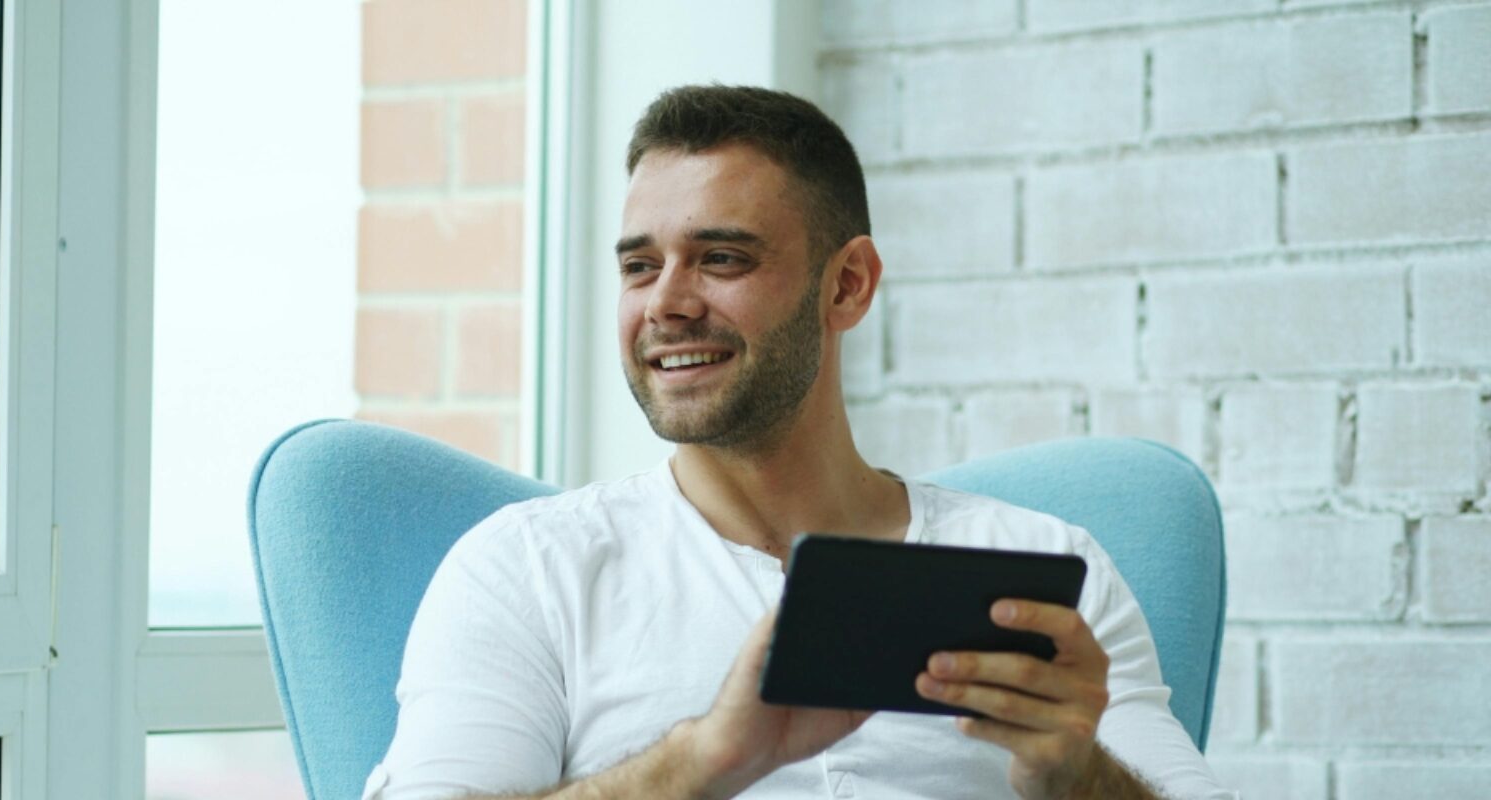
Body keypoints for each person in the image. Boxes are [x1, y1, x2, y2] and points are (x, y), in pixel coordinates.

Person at [363, 85, 1234, 800]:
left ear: (847, 285)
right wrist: (706, 759)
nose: (665, 302)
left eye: (721, 259)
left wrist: (1079, 777)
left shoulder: (1045, 569)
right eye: (638, 266)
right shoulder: (526, 571)